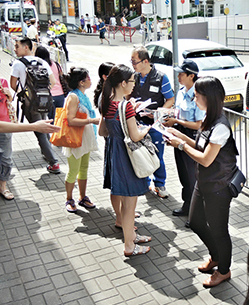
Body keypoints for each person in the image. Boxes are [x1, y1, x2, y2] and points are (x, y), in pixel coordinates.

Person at [166, 76, 239, 288]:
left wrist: (180, 145)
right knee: (196, 221)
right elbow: (200, 146)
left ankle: (223, 270)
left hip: (219, 186)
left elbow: (206, 158)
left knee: (219, 230)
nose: (194, 100)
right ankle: (215, 256)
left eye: (196, 97)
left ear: (208, 98)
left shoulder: (221, 126)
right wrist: (180, 135)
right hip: (205, 181)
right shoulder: (208, 119)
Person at [98, 64, 152, 257]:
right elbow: (136, 136)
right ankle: (129, 245)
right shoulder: (126, 106)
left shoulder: (108, 102)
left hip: (114, 154)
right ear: (123, 83)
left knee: (125, 203)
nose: (134, 84)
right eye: (132, 81)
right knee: (130, 206)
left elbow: (102, 131)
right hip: (127, 158)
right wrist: (146, 129)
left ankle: (131, 237)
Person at [10, 37, 60, 174]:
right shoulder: (42, 61)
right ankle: (47, 152)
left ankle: (54, 163)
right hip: (45, 100)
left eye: (17, 46)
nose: (15, 49)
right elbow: (53, 82)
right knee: (44, 127)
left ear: (26, 47)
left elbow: (13, 85)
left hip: (30, 103)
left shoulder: (18, 63)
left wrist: (24, 94)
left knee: (40, 132)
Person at [130, 46, 174, 198]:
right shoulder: (133, 77)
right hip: (136, 123)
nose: (132, 65)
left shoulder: (161, 77)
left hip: (155, 124)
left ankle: (160, 184)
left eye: (134, 62)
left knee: (157, 155)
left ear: (145, 61)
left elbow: (170, 99)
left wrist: (158, 112)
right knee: (139, 155)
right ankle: (144, 183)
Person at [163, 60, 205, 222]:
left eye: (182, 74)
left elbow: (199, 124)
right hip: (178, 134)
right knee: (183, 174)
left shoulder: (198, 95)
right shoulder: (181, 92)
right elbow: (178, 113)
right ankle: (187, 205)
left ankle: (196, 213)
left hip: (192, 137)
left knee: (192, 176)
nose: (178, 76)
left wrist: (177, 122)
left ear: (191, 76)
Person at [61, 68, 99, 213]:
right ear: (81, 82)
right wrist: (91, 120)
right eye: (88, 77)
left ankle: (82, 197)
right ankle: (69, 198)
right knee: (73, 170)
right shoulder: (73, 97)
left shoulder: (83, 95)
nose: (90, 79)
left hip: (85, 138)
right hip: (75, 139)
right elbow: (70, 120)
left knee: (84, 168)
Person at [35, 46, 69, 121]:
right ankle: (58, 132)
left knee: (51, 119)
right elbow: (61, 75)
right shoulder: (57, 64)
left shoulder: (40, 66)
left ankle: (54, 132)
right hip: (61, 94)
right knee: (59, 118)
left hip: (49, 95)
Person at [0, 77, 14, 200]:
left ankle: (3, 186)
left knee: (6, 158)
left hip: (5, 125)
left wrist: (9, 95)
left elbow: (8, 101)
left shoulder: (2, 81)